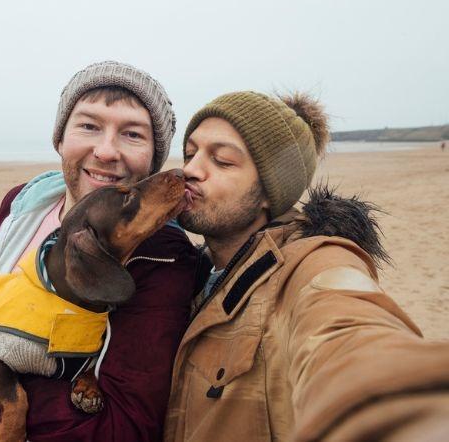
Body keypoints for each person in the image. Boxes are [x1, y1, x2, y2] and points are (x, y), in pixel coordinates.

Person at [0, 61, 198, 441]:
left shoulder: (164, 257)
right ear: (60, 138)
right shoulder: (22, 205)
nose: (106, 151)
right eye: (88, 125)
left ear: (154, 155)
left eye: (133, 134)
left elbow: (122, 430)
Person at [165, 91, 449, 441]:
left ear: (272, 191)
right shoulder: (191, 275)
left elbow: (348, 333)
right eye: (190, 153)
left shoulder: (312, 264)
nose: (189, 170)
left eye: (222, 161)